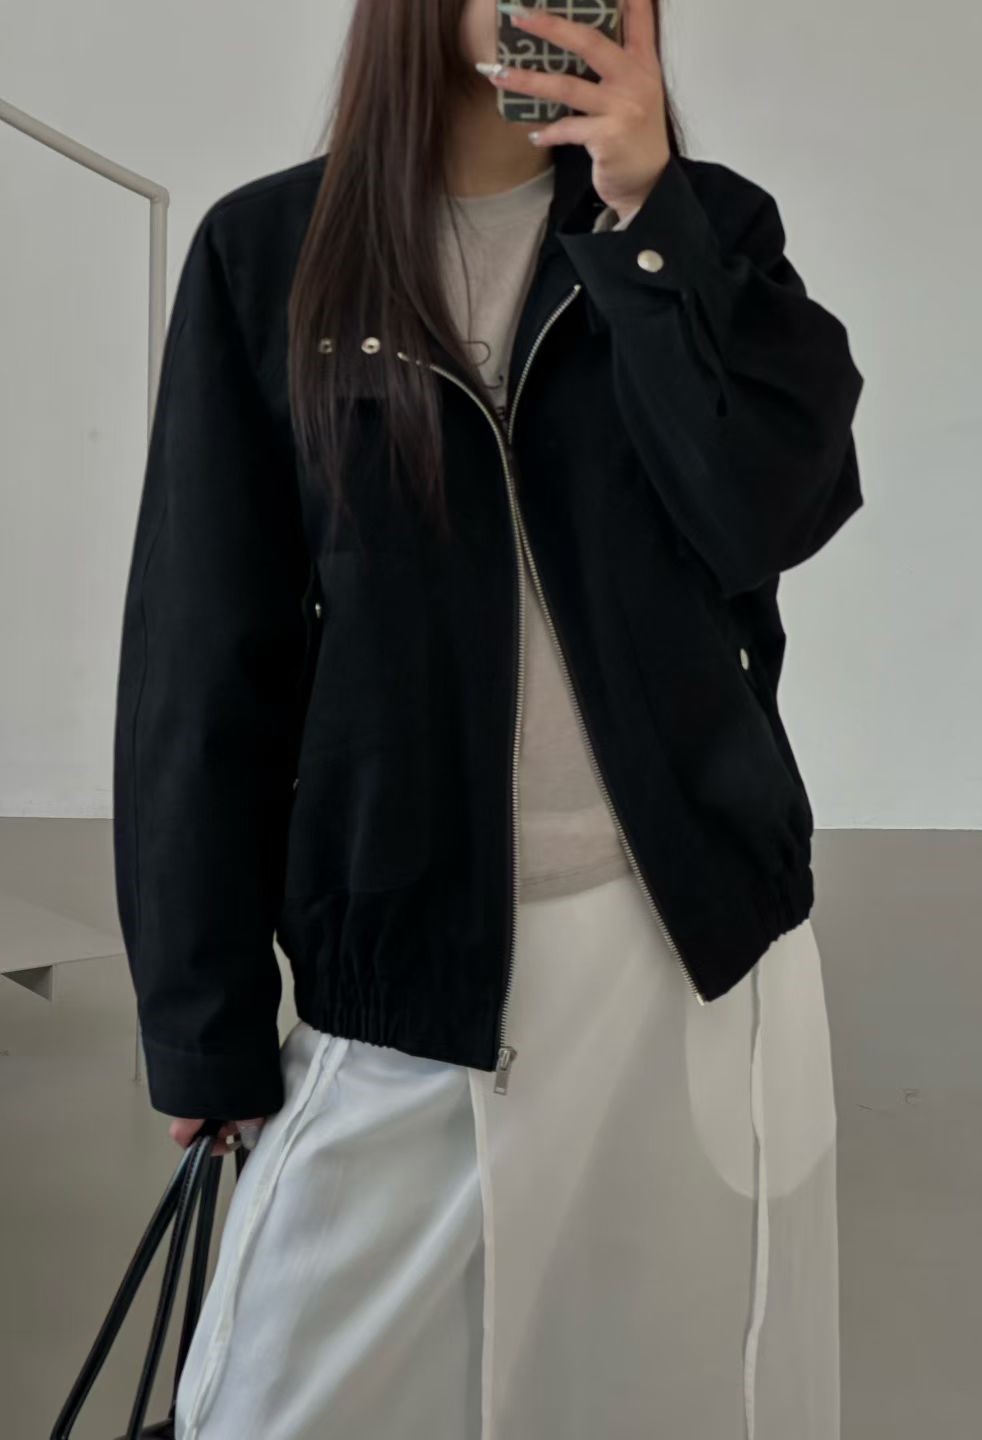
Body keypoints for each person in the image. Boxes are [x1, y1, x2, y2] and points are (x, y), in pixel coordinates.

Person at [111, 1, 864, 1436]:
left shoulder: (709, 230)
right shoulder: (269, 254)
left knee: (666, 1400)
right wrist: (202, 1025)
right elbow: (202, 663)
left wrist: (650, 223)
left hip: (691, 954)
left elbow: (770, 514)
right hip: (412, 963)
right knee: (274, 1399)